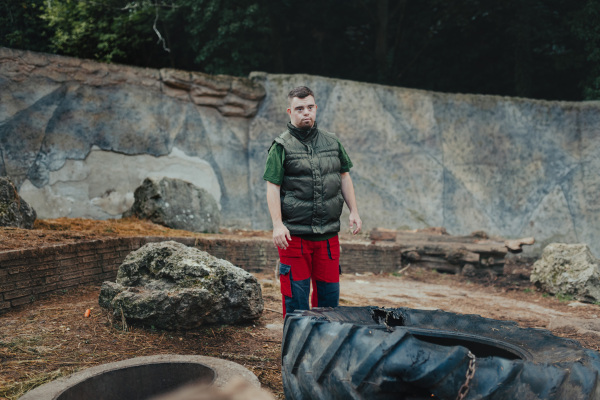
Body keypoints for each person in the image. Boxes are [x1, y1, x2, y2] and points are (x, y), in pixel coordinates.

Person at [263, 86, 362, 317]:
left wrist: (354, 212)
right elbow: (272, 187)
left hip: (328, 238)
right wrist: (277, 224)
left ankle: (325, 350)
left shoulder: (333, 142)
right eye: (299, 109)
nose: (305, 113)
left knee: (328, 305)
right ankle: (295, 352)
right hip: (293, 238)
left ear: (315, 108)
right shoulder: (281, 146)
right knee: (296, 303)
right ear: (290, 111)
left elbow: (344, 176)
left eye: (309, 107)